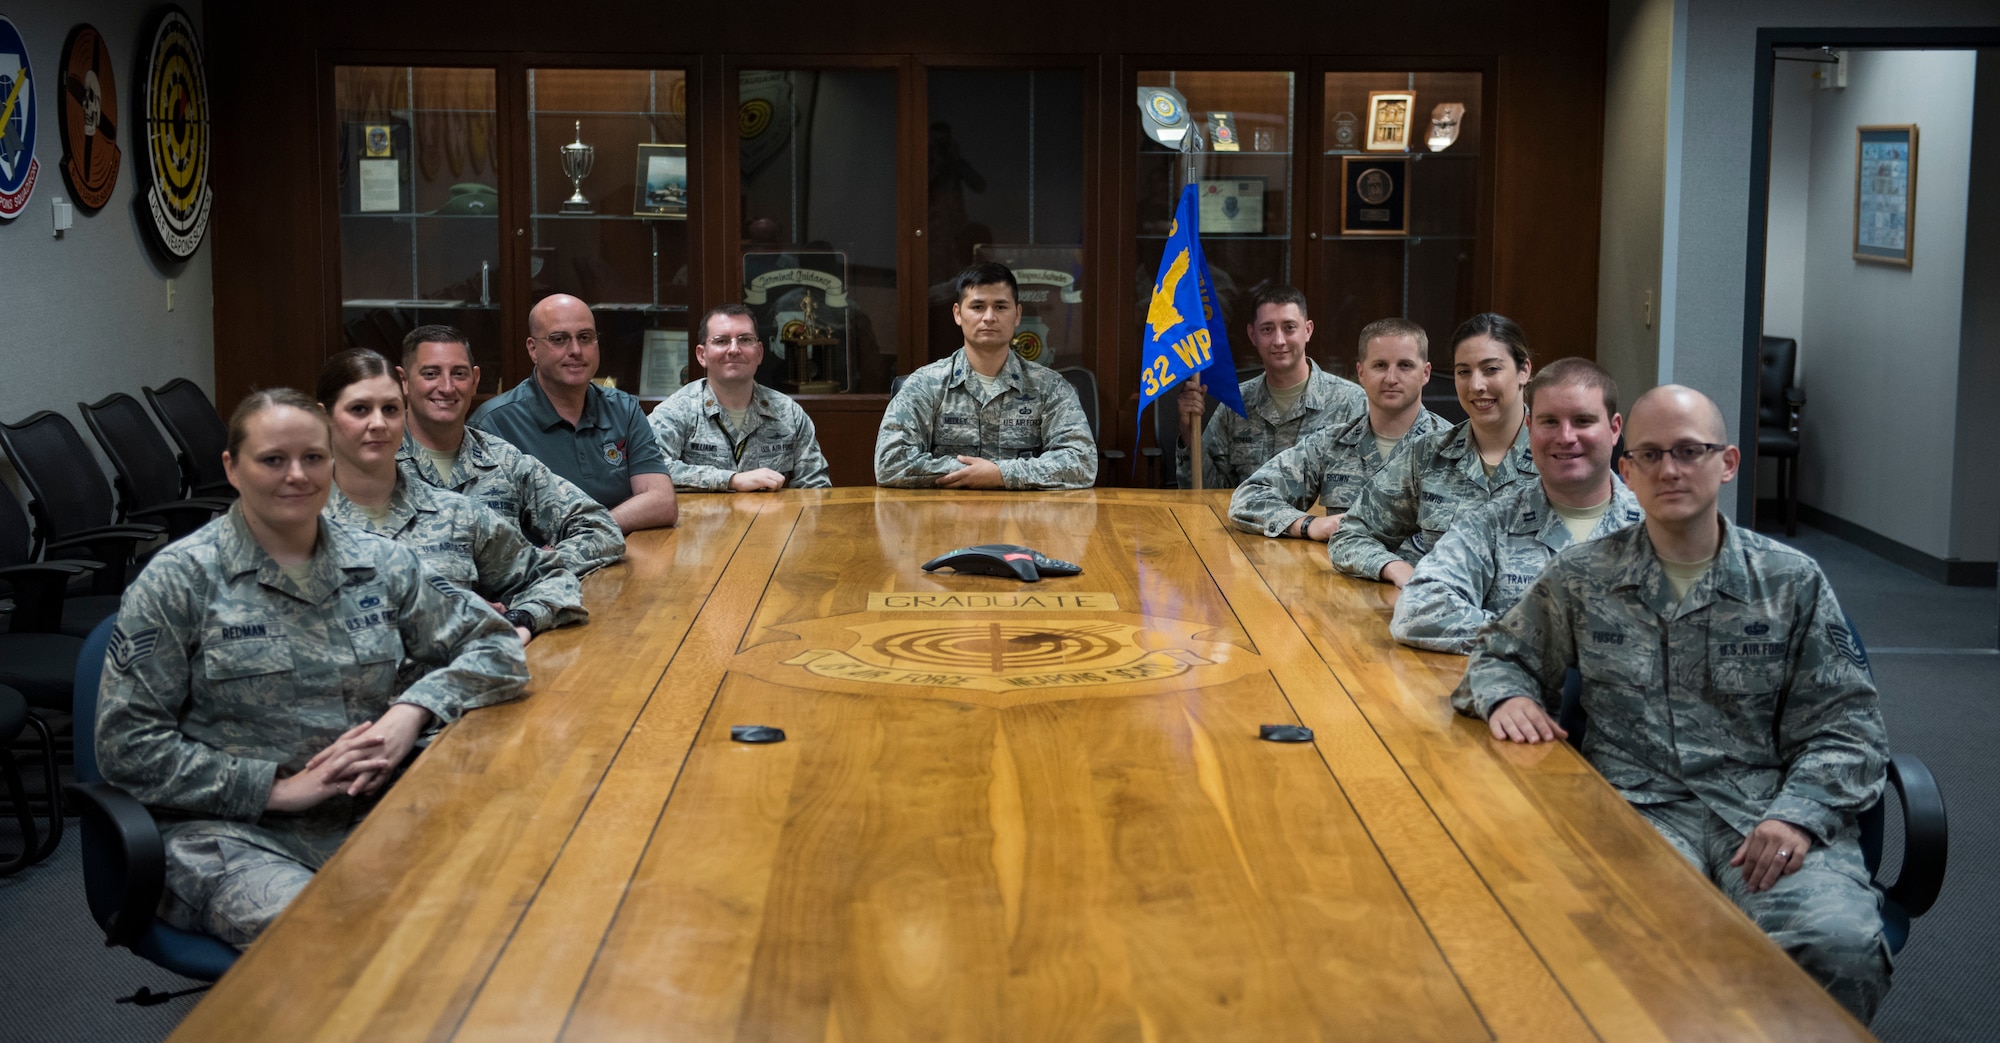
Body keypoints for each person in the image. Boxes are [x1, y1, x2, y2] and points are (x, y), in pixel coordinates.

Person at [1453, 385, 1891, 1021]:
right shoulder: (1584, 575)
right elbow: (1499, 655)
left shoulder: (1789, 580)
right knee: (1610, 945)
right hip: (1636, 814)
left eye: (1689, 451)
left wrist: (1799, 814)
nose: (1669, 470)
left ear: (1729, 462)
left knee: (1838, 946)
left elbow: (1850, 730)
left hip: (1764, 814)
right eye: (1650, 455)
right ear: (1625, 469)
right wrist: (1505, 697)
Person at [95, 389, 529, 947]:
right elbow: (126, 745)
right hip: (234, 833)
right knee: (331, 938)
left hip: (375, 805)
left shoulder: (380, 562)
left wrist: (411, 712)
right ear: (232, 467)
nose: (296, 476)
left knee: (509, 890)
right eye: (273, 460)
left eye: (313, 458)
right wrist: (276, 791)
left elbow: (496, 647)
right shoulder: (180, 580)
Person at [318, 349, 586, 644]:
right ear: (324, 418)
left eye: (391, 409)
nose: (379, 423)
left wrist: (519, 621)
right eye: (359, 409)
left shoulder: (456, 514)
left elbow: (550, 579)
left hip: (458, 684)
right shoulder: (290, 525)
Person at [1392, 358, 1643, 653]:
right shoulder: (1493, 523)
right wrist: (1544, 639)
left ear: (1614, 429)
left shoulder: (1657, 526)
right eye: (1549, 421)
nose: (1565, 437)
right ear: (1529, 426)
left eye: (1582, 421)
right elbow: (1416, 611)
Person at [1328, 313, 1539, 587]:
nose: (1476, 385)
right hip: (1439, 621)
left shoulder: (1560, 455)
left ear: (1524, 371)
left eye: (1491, 369)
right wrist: (1393, 567)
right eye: (1464, 371)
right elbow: (1350, 535)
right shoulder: (1429, 455)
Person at [395, 325, 624, 576]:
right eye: (430, 374)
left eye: (459, 374)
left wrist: (534, 566)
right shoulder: (376, 463)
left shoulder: (503, 460)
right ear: (404, 381)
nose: (447, 387)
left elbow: (601, 529)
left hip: (514, 613)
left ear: (475, 380)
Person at [874, 262, 1096, 490]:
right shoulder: (926, 384)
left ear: (1017, 315)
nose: (989, 317)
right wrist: (968, 473)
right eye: (978, 307)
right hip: (944, 520)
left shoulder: (1049, 387)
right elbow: (890, 462)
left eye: (1000, 307)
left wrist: (1001, 474)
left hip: (1025, 521)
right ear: (958, 314)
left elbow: (1082, 462)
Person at [470, 294, 678, 532]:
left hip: (624, 555)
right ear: (533, 349)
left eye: (585, 337)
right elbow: (490, 529)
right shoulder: (494, 424)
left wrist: (587, 531)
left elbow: (662, 502)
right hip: (546, 565)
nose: (576, 350)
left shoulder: (624, 409)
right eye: (559, 339)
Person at [1228, 317, 1444, 540]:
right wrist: (1307, 525)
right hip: (1335, 572)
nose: (1391, 378)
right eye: (1380, 365)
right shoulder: (1331, 444)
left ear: (1425, 373)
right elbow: (1248, 497)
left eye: (1405, 366)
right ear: (1361, 372)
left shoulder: (1451, 449)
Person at [1176, 285, 1365, 489]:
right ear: (1252, 335)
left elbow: (1366, 493)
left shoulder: (1351, 404)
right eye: (1267, 329)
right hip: (1245, 521)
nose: (1279, 341)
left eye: (1289, 327)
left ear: (1308, 330)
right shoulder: (1235, 404)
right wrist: (1189, 433)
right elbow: (1207, 491)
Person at [647, 304, 832, 491]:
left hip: (773, 520)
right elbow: (649, 470)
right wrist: (731, 480)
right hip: (701, 520)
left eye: (745, 340)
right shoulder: (677, 411)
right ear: (701, 355)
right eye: (721, 341)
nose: (734, 349)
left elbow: (816, 486)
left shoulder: (788, 413)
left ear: (759, 353)